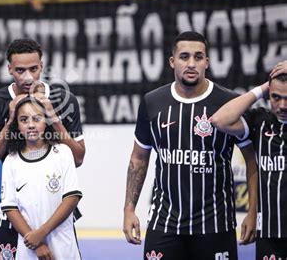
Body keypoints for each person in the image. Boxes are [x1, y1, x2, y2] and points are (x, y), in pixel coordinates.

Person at [122, 31, 258, 259]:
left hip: (216, 224)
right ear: (172, 61)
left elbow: (252, 160)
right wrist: (129, 209)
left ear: (207, 62)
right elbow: (138, 158)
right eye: (184, 57)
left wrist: (253, 211)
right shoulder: (152, 102)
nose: (191, 63)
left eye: (198, 57)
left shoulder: (229, 103)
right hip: (164, 223)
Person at [0, 38, 85, 259]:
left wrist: (53, 117)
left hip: (54, 206)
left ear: (42, 66)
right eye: (20, 70)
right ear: (9, 69)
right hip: (14, 210)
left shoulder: (64, 99)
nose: (27, 77)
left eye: (33, 69)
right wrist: (10, 121)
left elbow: (78, 158)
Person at [211, 60, 287, 260]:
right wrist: (264, 87)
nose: (282, 105)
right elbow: (220, 120)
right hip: (270, 234)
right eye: (275, 97)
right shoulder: (260, 122)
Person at [1, 97, 82, 259]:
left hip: (63, 245)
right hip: (29, 248)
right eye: (24, 120)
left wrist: (41, 233)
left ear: (46, 122)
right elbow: (9, 207)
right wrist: (35, 242)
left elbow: (72, 198)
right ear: (17, 125)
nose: (31, 124)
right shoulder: (11, 161)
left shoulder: (63, 153)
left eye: (37, 119)